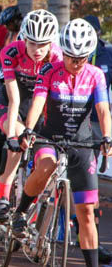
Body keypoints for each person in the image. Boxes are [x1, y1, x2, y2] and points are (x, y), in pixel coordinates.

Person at [19, 18, 112, 267]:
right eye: (71, 57)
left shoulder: (95, 76)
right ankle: (20, 212)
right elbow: (38, 101)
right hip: (50, 138)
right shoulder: (49, 71)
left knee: (86, 213)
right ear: (64, 51)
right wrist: (28, 129)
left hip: (81, 144)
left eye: (82, 58)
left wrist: (107, 137)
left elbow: (103, 109)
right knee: (46, 166)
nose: (76, 63)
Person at [0, 9, 62, 222]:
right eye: (32, 43)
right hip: (8, 104)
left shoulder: (58, 56)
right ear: (24, 39)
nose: (38, 50)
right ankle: (3, 195)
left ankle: (30, 206)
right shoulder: (11, 52)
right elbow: (14, 99)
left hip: (39, 106)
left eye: (43, 44)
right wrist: (13, 137)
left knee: (47, 159)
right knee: (18, 140)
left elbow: (53, 99)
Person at [83, 15, 112, 265]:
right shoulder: (68, 52)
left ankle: (93, 240)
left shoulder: (107, 53)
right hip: (69, 121)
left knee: (90, 186)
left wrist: (107, 134)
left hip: (96, 122)